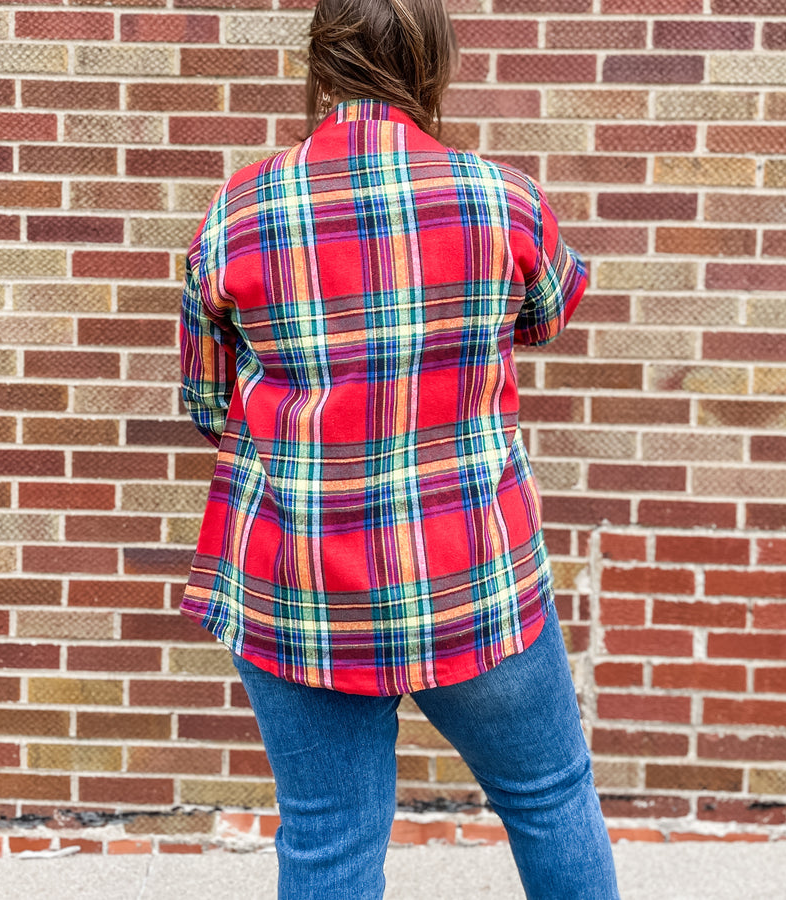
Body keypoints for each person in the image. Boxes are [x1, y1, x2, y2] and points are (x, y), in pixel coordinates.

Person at [179, 0, 620, 896]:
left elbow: (205, 399)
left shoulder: (239, 209)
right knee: (550, 796)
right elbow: (548, 312)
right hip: (469, 571)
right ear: (433, 63)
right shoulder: (502, 196)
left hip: (297, 578)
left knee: (328, 838)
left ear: (322, 61)